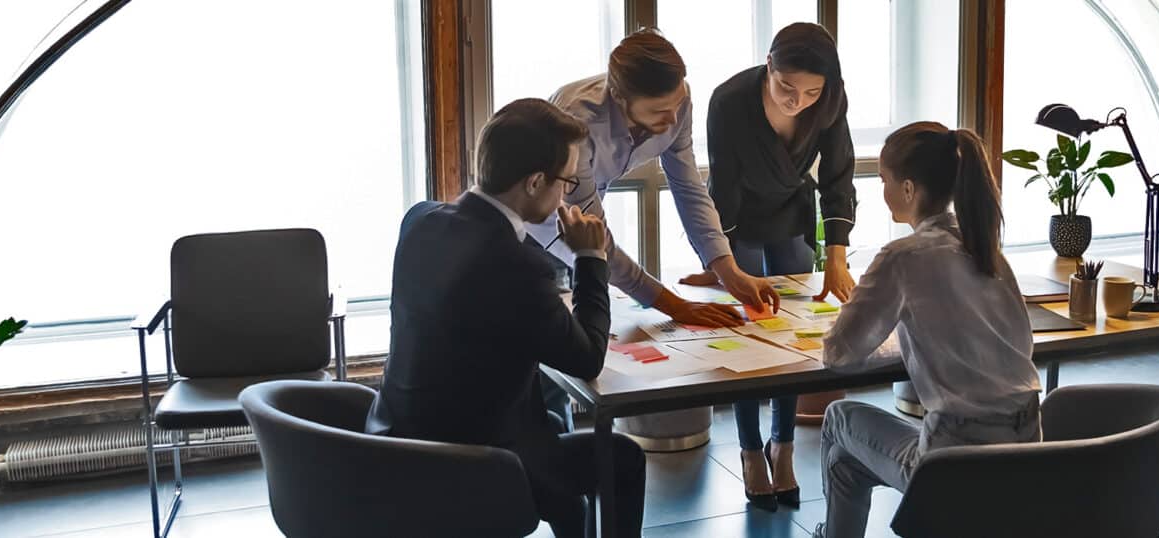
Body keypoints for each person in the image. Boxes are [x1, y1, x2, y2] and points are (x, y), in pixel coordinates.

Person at [366, 98, 645, 538]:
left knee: (551, 425)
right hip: (471, 464)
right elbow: (588, 357)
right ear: (536, 182)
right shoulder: (517, 266)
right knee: (622, 457)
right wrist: (592, 257)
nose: (566, 195)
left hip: (396, 440)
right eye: (567, 182)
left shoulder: (421, 219)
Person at [813, 122, 1042, 538]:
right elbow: (1007, 342)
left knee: (838, 418)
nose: (879, 192)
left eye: (883, 180)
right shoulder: (987, 250)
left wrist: (866, 327)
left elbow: (839, 355)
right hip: (1024, 453)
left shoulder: (903, 257)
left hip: (953, 464)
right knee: (846, 461)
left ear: (908, 189)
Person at [688, 22, 857, 512]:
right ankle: (749, 450)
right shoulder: (729, 100)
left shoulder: (829, 101)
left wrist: (837, 259)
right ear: (768, 65)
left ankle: (782, 445)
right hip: (738, 217)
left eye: (810, 92)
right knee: (747, 331)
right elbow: (723, 184)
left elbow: (838, 174)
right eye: (786, 87)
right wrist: (723, 265)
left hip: (791, 214)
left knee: (791, 335)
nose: (796, 101)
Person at [530, 28, 781, 326]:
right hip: (536, 234)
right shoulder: (576, 122)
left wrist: (729, 271)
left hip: (581, 235)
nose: (674, 119)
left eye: (677, 105)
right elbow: (591, 236)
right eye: (660, 111)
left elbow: (688, 187)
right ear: (619, 99)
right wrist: (675, 307)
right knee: (555, 345)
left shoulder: (678, 101)